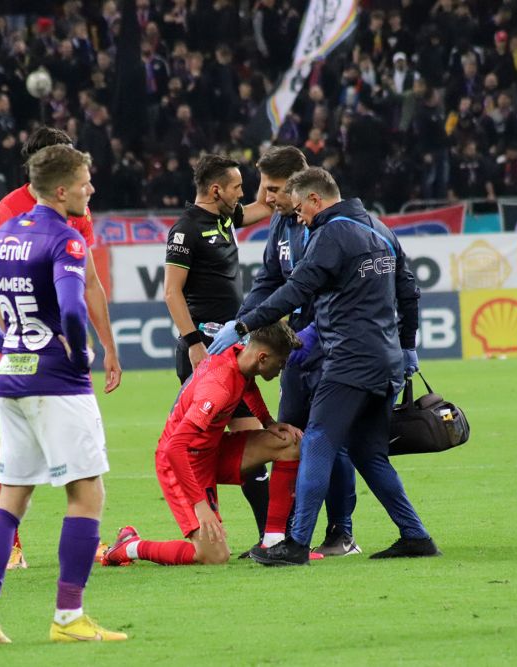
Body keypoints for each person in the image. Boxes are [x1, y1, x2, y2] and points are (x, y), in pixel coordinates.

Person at [208, 167, 435, 565]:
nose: (299, 218)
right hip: (386, 359)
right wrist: (408, 346)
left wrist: (244, 324)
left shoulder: (331, 234)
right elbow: (409, 291)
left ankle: (296, 543)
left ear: (316, 199)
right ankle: (415, 535)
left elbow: (296, 289)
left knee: (316, 440)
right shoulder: (380, 228)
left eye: (300, 210)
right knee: (369, 454)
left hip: (349, 359)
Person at [0, 144, 126, 644]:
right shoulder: (67, 240)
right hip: (57, 381)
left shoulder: (4, 232)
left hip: (13, 376)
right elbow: (73, 309)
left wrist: (4, 344)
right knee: (87, 492)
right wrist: (79, 354)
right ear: (61, 190)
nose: (90, 189)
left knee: (11, 498)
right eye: (84, 182)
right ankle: (68, 617)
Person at [0, 126, 123, 570]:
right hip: (39, 354)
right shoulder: (8, 211)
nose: (87, 184)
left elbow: (91, 282)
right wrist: (4, 337)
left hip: (34, 356)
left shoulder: (76, 210)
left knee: (28, 479)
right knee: (64, 477)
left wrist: (108, 345)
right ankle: (24, 556)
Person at [229, 146, 363, 556]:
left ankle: (342, 533)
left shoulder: (331, 226)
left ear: (298, 184)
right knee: (287, 437)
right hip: (294, 351)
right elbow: (269, 278)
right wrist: (243, 324)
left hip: (330, 349)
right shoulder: (281, 224)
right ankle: (281, 535)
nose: (264, 198)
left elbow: (320, 291)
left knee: (331, 441)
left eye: (272, 189)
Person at [100, 322, 303, 566]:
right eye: (280, 363)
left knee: (289, 442)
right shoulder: (218, 387)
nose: (281, 369)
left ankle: (272, 541)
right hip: (179, 461)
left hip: (211, 450)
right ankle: (129, 546)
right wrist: (201, 507)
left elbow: (248, 384)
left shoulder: (240, 355)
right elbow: (175, 447)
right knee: (215, 556)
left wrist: (268, 421)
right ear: (262, 357)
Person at [163, 152, 274, 552]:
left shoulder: (226, 217)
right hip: (205, 353)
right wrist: (194, 343)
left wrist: (272, 173)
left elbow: (264, 205)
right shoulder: (186, 229)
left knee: (253, 446)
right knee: (207, 447)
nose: (241, 195)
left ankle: (268, 537)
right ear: (215, 190)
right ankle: (220, 531)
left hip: (233, 351)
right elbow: (171, 291)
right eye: (236, 187)